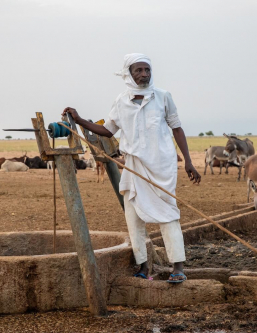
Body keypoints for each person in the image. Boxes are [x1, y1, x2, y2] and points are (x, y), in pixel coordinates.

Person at [63, 53, 201, 283]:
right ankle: (143, 267)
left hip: (161, 168)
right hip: (133, 168)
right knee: (133, 218)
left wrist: (188, 161)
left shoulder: (163, 97)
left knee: (169, 216)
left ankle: (178, 268)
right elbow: (108, 130)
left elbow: (177, 129)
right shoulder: (121, 101)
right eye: (139, 70)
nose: (144, 74)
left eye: (147, 70)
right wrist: (78, 119)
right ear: (129, 73)